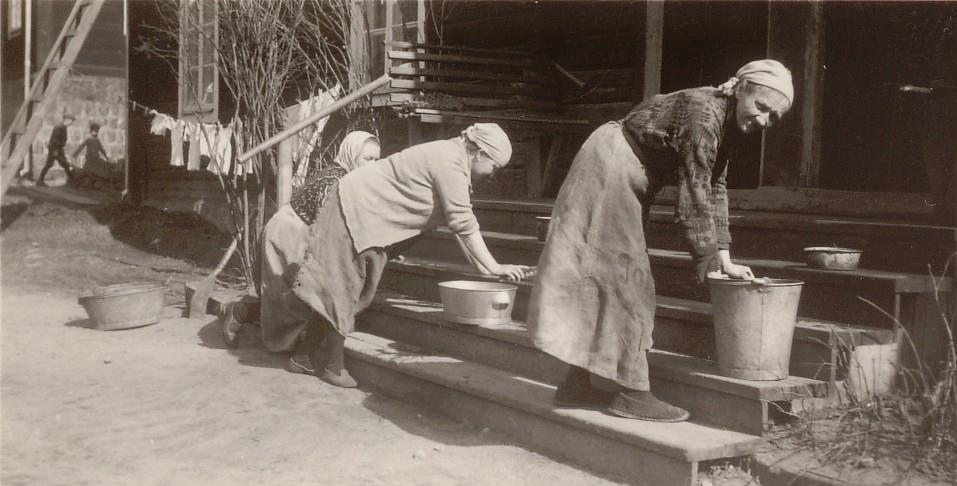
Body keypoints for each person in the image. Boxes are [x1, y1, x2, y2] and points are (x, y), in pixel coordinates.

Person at [527, 59, 794, 422]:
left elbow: (715, 186)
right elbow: (695, 194)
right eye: (762, 107)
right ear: (740, 87)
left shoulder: (725, 121)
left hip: (617, 166)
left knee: (608, 274)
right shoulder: (705, 115)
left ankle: (579, 382)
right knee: (628, 280)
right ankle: (632, 393)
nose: (763, 120)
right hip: (612, 168)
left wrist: (724, 255)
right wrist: (707, 258)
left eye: (773, 117)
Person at [290, 122, 533, 388]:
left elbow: (458, 226)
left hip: (363, 211)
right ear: (480, 153)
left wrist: (485, 269)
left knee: (348, 289)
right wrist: (495, 266)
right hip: (353, 208)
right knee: (344, 287)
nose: (492, 173)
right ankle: (334, 367)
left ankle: (302, 355)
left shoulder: (452, 157)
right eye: (494, 166)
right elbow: (463, 221)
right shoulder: (449, 161)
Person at [221, 131, 381, 367]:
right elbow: (333, 225)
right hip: (287, 234)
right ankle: (240, 313)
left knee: (296, 296)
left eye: (377, 160)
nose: (373, 166)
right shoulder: (337, 180)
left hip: (301, 232)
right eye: (367, 159)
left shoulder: (348, 177)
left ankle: (254, 318)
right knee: (294, 295)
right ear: (351, 154)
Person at [36, 113, 74, 186]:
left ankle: (71, 180)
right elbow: (54, 140)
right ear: (67, 120)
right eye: (71, 121)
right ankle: (40, 180)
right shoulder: (59, 127)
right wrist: (55, 151)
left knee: (64, 164)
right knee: (50, 164)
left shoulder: (63, 127)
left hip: (58, 149)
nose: (71, 123)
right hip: (55, 149)